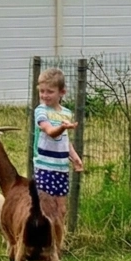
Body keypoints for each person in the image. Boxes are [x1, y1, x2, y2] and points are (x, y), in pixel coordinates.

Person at [33, 67, 85, 222]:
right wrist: (62, 127)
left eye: (50, 91)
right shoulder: (41, 111)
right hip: (45, 167)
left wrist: (75, 158)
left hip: (61, 167)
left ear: (62, 92)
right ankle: (44, 242)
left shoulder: (66, 113)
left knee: (61, 210)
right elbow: (49, 131)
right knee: (46, 209)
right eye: (42, 91)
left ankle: (58, 241)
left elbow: (64, 140)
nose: (44, 95)